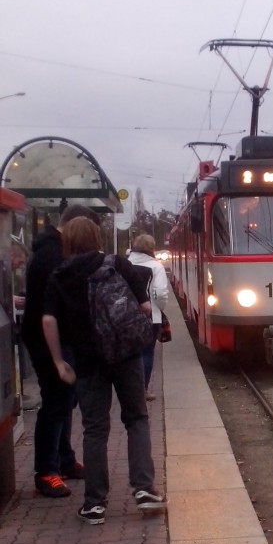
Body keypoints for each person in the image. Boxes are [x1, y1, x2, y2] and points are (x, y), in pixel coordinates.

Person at [42, 216, 165, 525]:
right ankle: (145, 491)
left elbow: (48, 320)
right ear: (97, 236)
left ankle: (95, 504)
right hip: (126, 356)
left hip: (87, 363)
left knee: (95, 429)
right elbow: (146, 308)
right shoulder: (118, 264)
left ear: (68, 241)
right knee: (136, 419)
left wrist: (58, 361)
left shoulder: (61, 274)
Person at [21, 204, 99, 497]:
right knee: (56, 402)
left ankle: (64, 461)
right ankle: (46, 472)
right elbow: (57, 308)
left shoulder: (53, 250)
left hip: (52, 337)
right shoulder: (52, 255)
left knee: (65, 401)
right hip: (47, 339)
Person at [127, 234, 170, 399]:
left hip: (126, 317)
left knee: (130, 354)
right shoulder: (156, 266)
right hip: (150, 316)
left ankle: (129, 390)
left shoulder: (125, 264)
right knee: (146, 352)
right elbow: (160, 293)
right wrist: (158, 309)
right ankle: (142, 390)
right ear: (151, 248)